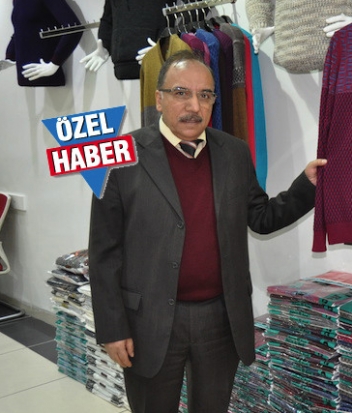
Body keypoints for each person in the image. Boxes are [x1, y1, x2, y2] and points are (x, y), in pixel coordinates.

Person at [88, 49, 326, 413]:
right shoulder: (119, 156)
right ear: (159, 99)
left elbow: (261, 218)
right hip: (149, 321)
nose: (194, 106)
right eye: (181, 92)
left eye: (205, 95)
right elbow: (104, 252)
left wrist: (305, 187)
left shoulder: (233, 152)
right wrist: (112, 327)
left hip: (220, 318)